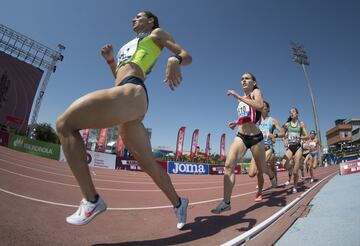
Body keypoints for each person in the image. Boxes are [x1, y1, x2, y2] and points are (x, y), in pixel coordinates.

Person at [56, 11, 192, 229]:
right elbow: (118, 76)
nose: (133, 19)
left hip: (134, 91)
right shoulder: (126, 46)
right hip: (125, 97)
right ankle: (179, 203)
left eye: (138, 16)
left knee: (64, 124)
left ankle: (92, 200)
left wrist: (174, 59)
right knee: (149, 165)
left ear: (150, 20)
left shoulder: (156, 33)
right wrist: (111, 60)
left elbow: (186, 55)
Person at [211, 72, 277, 213]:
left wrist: (238, 96)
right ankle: (226, 202)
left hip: (256, 138)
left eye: (247, 78)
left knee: (262, 169)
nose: (243, 81)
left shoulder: (255, 92)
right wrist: (236, 122)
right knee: (229, 165)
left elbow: (259, 106)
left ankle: (270, 174)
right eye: (241, 79)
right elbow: (247, 117)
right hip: (241, 135)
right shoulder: (240, 100)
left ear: (253, 82)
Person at [248, 101, 285, 201]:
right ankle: (271, 174)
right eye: (261, 107)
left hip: (267, 148)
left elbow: (282, 132)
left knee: (260, 171)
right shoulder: (256, 120)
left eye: (265, 107)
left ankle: (259, 193)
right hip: (257, 148)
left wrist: (275, 135)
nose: (263, 108)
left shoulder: (272, 120)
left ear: (268, 109)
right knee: (251, 173)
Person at [282, 108, 308, 193]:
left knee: (296, 171)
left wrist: (300, 137)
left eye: (293, 112)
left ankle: (295, 186)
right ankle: (290, 169)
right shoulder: (287, 124)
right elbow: (282, 134)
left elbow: (306, 136)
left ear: (297, 113)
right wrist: (284, 141)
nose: (291, 113)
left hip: (297, 147)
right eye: (290, 112)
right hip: (290, 147)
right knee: (283, 163)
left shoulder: (301, 124)